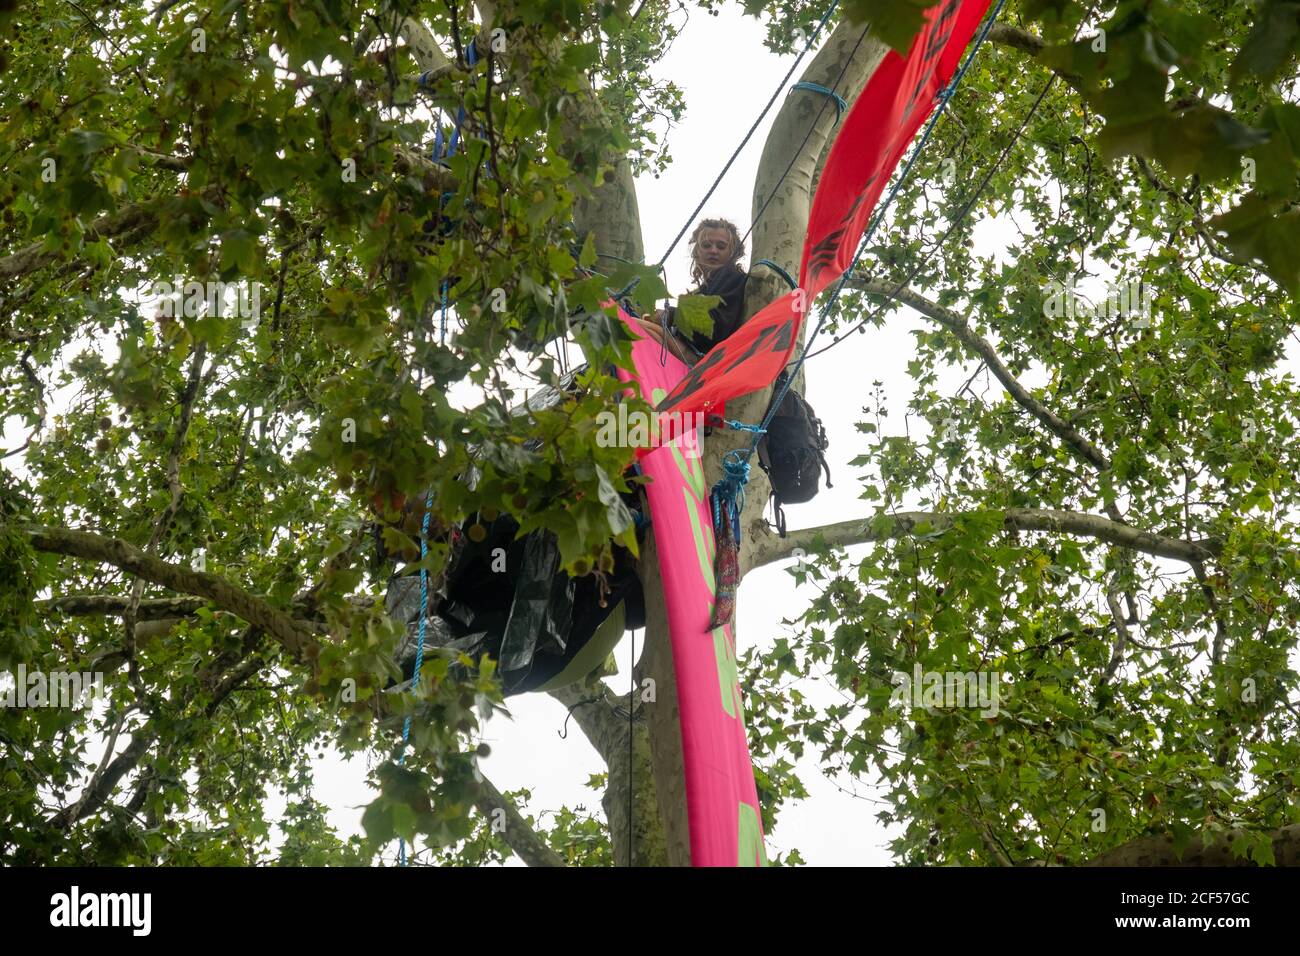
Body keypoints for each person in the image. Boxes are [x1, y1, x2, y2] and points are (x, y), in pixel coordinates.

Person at [640, 218, 748, 364]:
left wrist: (671, 315)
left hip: (703, 361)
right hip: (690, 353)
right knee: (632, 324)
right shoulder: (706, 288)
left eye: (721, 246)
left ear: (732, 252)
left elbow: (716, 329)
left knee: (631, 325)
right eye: (706, 245)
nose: (713, 251)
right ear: (697, 251)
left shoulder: (732, 278)